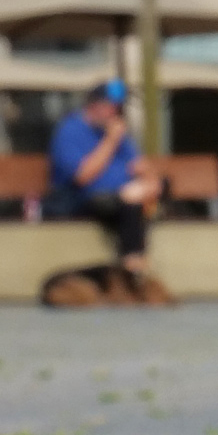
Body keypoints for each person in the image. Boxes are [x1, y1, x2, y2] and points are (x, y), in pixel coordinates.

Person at [44, 77, 168, 303]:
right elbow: (83, 176)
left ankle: (134, 266)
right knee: (126, 203)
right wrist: (111, 141)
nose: (115, 112)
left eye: (118, 108)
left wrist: (151, 182)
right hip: (79, 200)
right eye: (111, 106)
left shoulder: (117, 134)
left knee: (143, 197)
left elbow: (138, 165)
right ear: (94, 105)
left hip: (122, 199)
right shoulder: (70, 130)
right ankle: (133, 265)